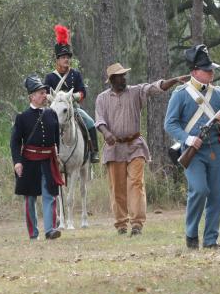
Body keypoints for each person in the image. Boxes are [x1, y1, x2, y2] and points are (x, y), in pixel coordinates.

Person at [94, 63, 187, 236]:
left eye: (124, 75)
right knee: (117, 188)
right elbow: (99, 120)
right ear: (112, 80)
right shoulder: (102, 98)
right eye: (120, 76)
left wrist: (174, 80)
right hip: (114, 148)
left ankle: (137, 224)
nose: (124, 78)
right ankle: (121, 224)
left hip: (135, 145)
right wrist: (106, 133)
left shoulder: (136, 91)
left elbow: (155, 87)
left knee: (136, 183)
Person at [165, 44, 220, 250]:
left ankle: (211, 240)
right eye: (207, 69)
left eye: (211, 69)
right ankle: (191, 233)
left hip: (215, 150)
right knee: (199, 189)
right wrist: (188, 140)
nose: (211, 72)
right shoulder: (180, 94)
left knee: (217, 197)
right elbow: (170, 123)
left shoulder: (219, 94)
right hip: (192, 152)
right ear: (195, 72)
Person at [10, 74, 64, 240]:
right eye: (40, 93)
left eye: (44, 92)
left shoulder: (52, 114)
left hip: (48, 162)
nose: (44, 95)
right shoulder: (22, 117)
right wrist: (18, 162)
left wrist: (58, 157)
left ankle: (50, 230)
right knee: (30, 199)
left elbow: (57, 141)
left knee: (50, 195)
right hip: (29, 163)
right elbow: (14, 142)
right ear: (32, 96)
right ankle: (33, 233)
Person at [44, 25, 100, 163]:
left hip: (73, 108)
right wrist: (51, 98)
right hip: (55, 110)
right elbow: (45, 93)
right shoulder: (50, 77)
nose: (66, 60)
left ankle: (94, 152)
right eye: (63, 57)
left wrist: (76, 96)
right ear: (57, 59)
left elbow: (83, 91)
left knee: (91, 123)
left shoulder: (75, 74)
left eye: (68, 57)